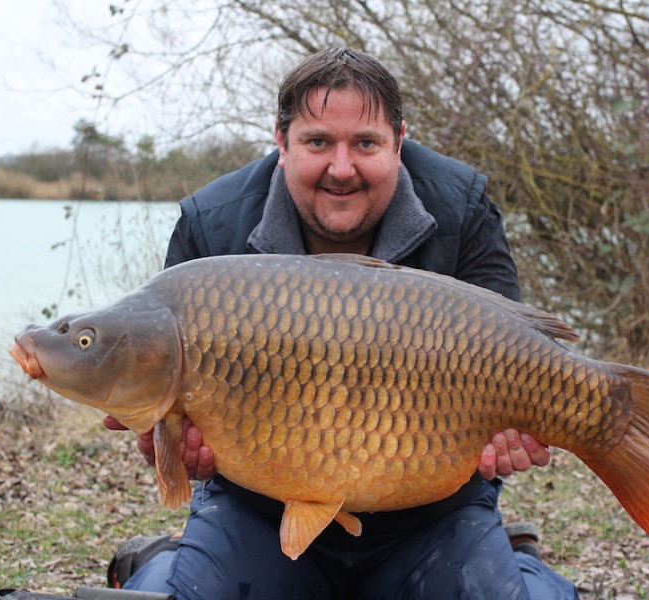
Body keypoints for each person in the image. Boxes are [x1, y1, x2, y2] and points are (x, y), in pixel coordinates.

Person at [104, 47, 579, 599]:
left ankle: (516, 562)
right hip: (259, 511)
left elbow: (516, 357)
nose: (341, 168)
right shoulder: (210, 228)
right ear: (281, 142)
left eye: (366, 144)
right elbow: (176, 433)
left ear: (399, 142)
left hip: (431, 516)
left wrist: (515, 434)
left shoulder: (463, 209)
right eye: (318, 142)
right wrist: (170, 446)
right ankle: (162, 559)